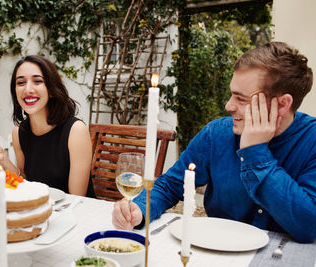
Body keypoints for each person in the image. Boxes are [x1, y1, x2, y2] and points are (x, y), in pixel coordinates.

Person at [112, 42, 316, 243]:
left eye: (241, 99)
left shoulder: (312, 141)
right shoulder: (216, 134)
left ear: (282, 104)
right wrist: (139, 208)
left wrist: (256, 153)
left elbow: (309, 225)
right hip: (217, 253)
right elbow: (171, 185)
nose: (229, 105)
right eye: (231, 94)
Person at [0, 55, 95, 197]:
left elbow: (76, 198)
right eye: (21, 83)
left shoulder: (76, 131)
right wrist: (2, 159)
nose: (28, 89)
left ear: (51, 89)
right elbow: (25, 183)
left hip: (75, 213)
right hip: (38, 211)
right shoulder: (18, 132)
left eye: (37, 81)